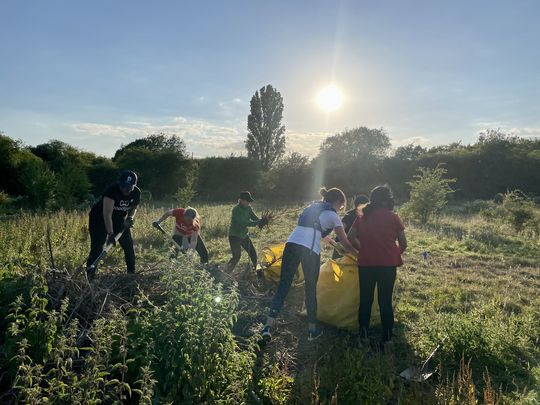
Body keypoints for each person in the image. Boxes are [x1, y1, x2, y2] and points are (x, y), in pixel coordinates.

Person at [262, 187, 359, 342]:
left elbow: (312, 229)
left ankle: (267, 326)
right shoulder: (333, 215)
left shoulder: (312, 207)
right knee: (310, 288)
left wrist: (330, 241)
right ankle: (312, 331)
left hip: (291, 244)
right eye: (341, 206)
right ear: (338, 202)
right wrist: (359, 256)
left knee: (284, 285)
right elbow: (346, 243)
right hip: (309, 250)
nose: (340, 210)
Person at [347, 185, 407, 347]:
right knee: (385, 301)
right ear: (387, 199)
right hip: (387, 266)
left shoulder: (361, 217)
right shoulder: (393, 217)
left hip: (366, 264)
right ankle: (387, 340)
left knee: (365, 300)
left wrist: (362, 249)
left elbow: (350, 237)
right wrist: (393, 254)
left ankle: (363, 337)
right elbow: (403, 243)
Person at [86, 170, 141, 277]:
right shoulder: (111, 191)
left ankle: (131, 274)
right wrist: (111, 234)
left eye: (129, 187)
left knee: (128, 245)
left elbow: (134, 208)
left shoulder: (136, 192)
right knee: (97, 248)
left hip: (119, 219)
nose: (125, 189)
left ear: (133, 186)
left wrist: (130, 218)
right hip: (99, 219)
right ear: (119, 183)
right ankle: (90, 277)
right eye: (123, 186)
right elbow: (107, 214)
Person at [227, 191, 266, 273]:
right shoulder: (236, 210)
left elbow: (255, 218)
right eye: (247, 201)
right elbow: (243, 222)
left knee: (253, 253)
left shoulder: (248, 208)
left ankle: (259, 272)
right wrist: (257, 223)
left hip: (244, 235)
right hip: (234, 236)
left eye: (249, 201)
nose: (249, 202)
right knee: (237, 256)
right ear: (241, 200)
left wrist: (262, 221)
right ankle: (226, 272)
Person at [331, 194, 369, 259]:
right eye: (367, 205)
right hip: (343, 248)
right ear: (360, 205)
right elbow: (341, 229)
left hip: (351, 247)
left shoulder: (363, 216)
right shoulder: (350, 215)